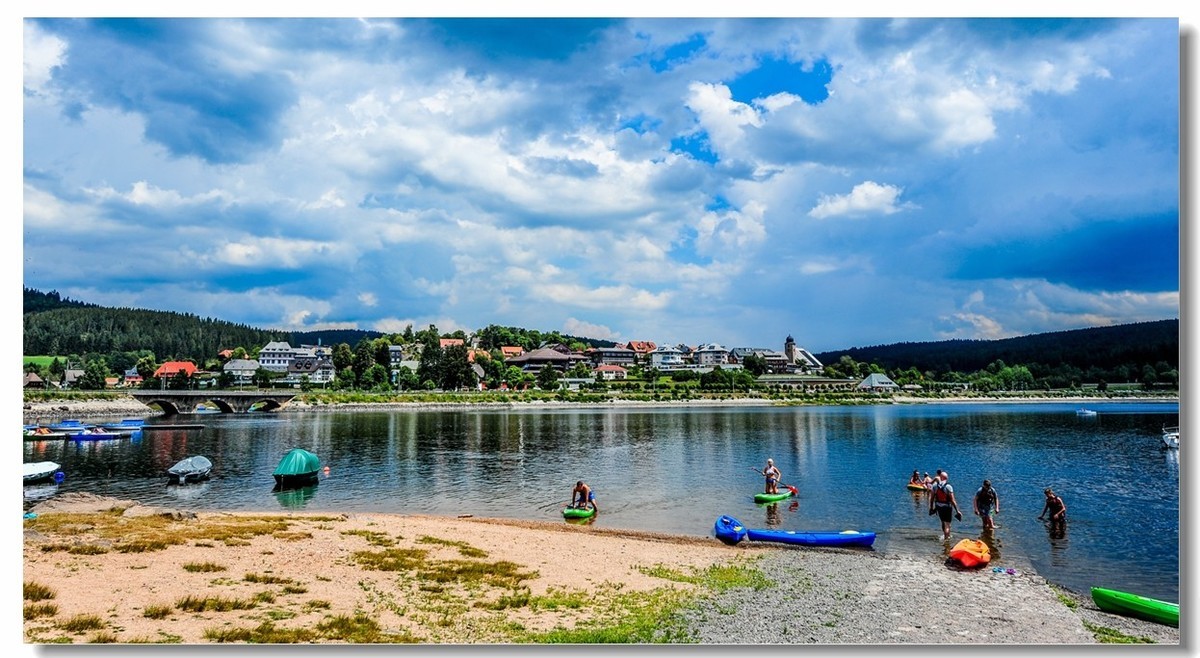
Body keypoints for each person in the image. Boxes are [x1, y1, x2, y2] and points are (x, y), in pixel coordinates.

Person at [928, 470, 963, 540]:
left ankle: (945, 535)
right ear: (946, 478)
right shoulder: (948, 487)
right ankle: (947, 539)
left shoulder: (934, 486)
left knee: (943, 522)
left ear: (940, 478)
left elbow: (931, 499)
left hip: (938, 506)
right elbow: (953, 500)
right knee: (948, 524)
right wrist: (957, 511)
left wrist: (931, 508)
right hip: (947, 507)